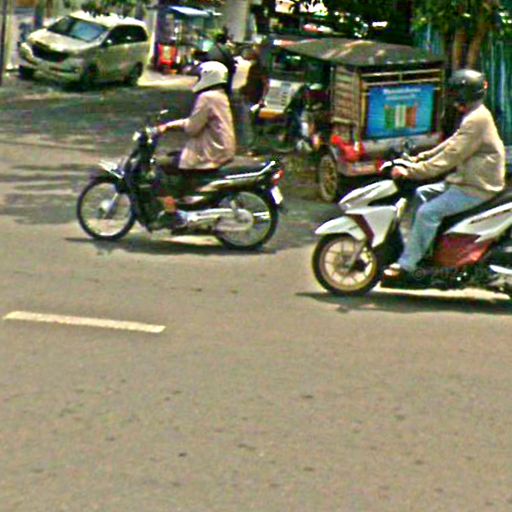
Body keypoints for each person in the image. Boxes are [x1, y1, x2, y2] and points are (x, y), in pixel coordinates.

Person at [386, 68, 506, 279]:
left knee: (428, 213)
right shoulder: (475, 115)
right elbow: (451, 143)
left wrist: (411, 172)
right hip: (465, 181)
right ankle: (424, 250)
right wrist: (418, 158)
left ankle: (408, 265)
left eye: (455, 93)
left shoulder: (476, 120)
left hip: (476, 187)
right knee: (421, 194)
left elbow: (449, 157)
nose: (452, 99)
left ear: (464, 94)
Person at [153, 61, 236, 229]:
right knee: (175, 158)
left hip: (211, 150)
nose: (197, 80)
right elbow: (196, 122)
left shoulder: (207, 97)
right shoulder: (219, 95)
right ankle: (184, 202)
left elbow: (192, 128)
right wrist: (170, 126)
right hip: (221, 147)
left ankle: (171, 213)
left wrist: (168, 127)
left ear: (209, 77)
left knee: (159, 167)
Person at [206, 29, 237, 96]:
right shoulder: (225, 48)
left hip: (211, 69)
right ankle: (227, 92)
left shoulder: (211, 48)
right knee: (231, 73)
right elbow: (229, 60)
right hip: (221, 68)